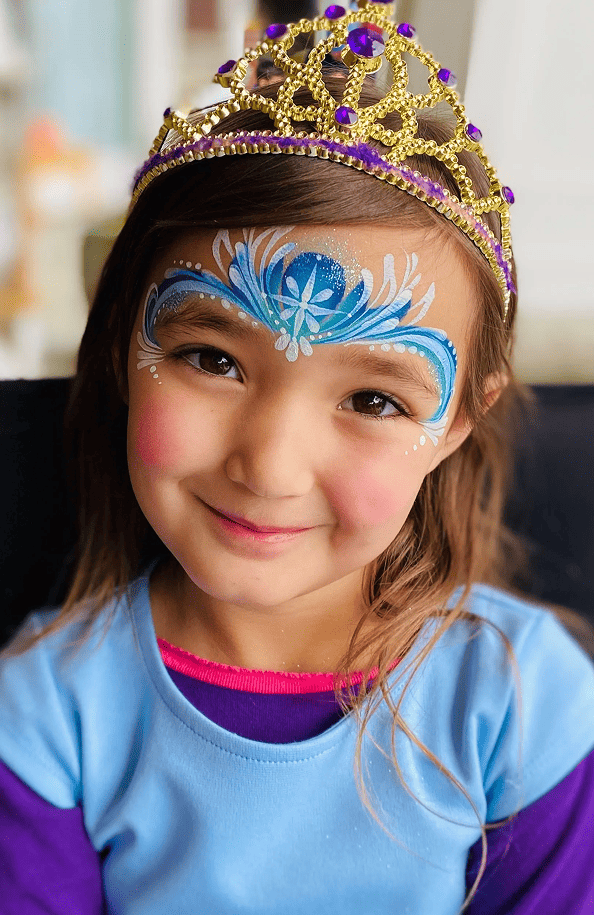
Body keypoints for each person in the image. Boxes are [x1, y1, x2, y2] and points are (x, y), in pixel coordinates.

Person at [1, 5, 594, 914]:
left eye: (373, 400)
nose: (270, 467)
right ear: (124, 342)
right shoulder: (47, 718)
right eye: (213, 358)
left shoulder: (528, 706)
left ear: (458, 424)